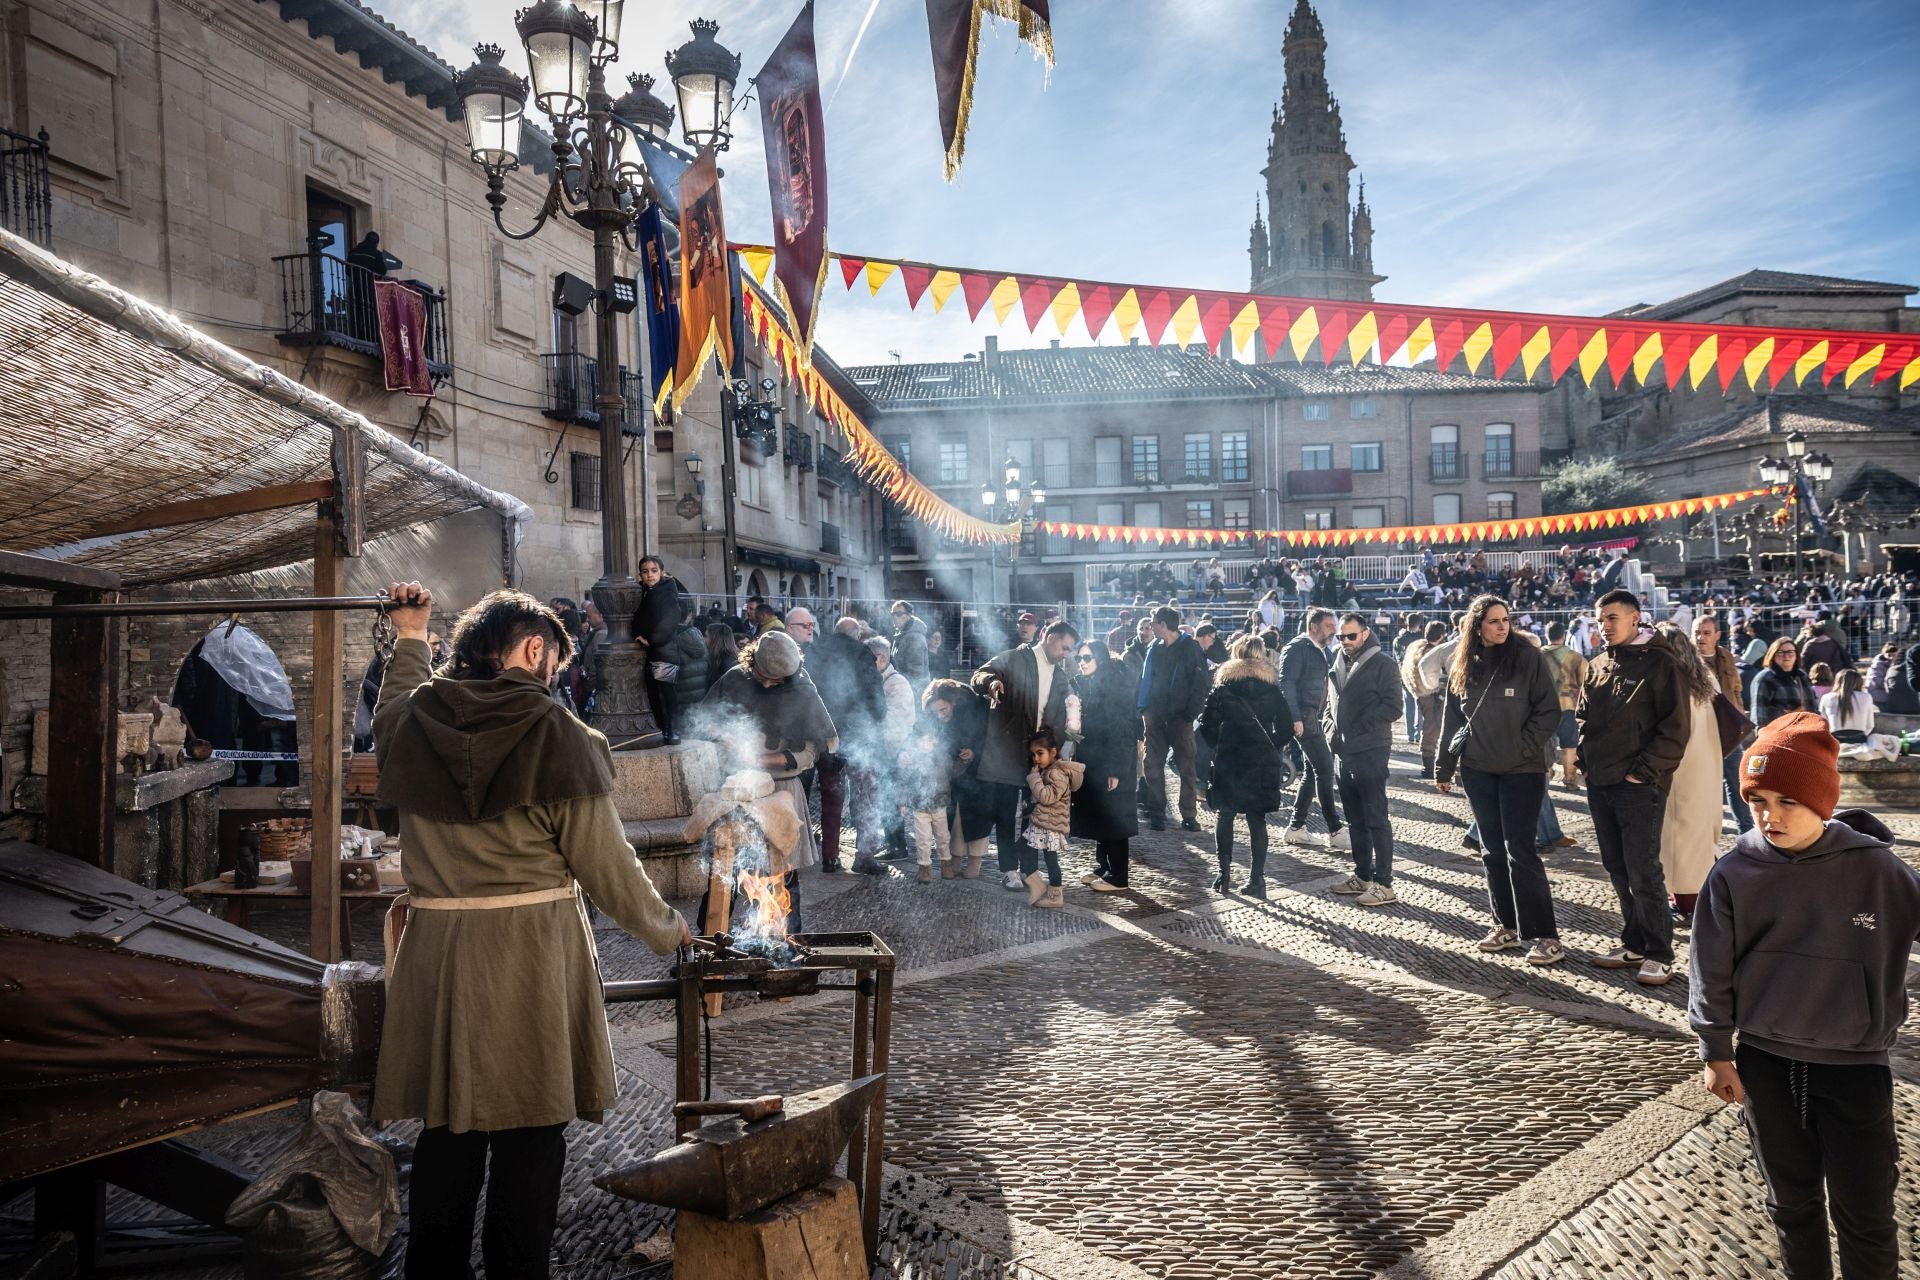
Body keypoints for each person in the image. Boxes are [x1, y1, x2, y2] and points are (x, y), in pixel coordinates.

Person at [371, 584, 689, 1280]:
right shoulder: (560, 736)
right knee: (531, 1130)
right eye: (554, 662)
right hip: (531, 955)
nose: (555, 678)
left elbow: (392, 706)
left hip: (439, 954)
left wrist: (411, 635)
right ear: (535, 650)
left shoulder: (415, 721)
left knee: (448, 1128)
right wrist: (672, 934)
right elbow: (609, 868)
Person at [1690, 713, 1919, 1280]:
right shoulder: (1733, 873)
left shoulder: (1880, 870)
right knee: (1791, 1207)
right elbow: (1708, 968)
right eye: (1757, 799)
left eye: (1787, 800)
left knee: (1866, 1212)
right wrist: (1715, 1050)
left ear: (1821, 800)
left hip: (1855, 1068)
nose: (1770, 815)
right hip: (1765, 1064)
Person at [1434, 595, 1563, 961]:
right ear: (1477, 627)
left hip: (1523, 770)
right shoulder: (1463, 663)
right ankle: (1505, 926)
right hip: (1478, 770)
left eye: (1505, 619)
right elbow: (1453, 719)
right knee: (1491, 851)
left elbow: (1549, 711)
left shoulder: (1528, 658)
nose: (1502, 626)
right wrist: (1444, 767)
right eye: (1493, 621)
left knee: (1520, 851)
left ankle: (1544, 936)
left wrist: (1523, 748)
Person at [1577, 589, 1692, 987]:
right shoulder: (1598, 664)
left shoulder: (1661, 664)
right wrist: (1586, 761)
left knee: (1643, 869)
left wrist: (1642, 773)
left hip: (1640, 785)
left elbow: (1675, 729)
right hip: (1601, 781)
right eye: (1600, 620)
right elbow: (1583, 716)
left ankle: (1660, 952)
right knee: (1616, 866)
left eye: (1611, 618)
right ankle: (1635, 942)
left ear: (1635, 619)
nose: (1604, 626)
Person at [697, 629, 835, 922]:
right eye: (763, 676)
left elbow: (812, 751)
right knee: (726, 872)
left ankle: (786, 950)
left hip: (782, 792)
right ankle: (704, 948)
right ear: (752, 663)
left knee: (783, 876)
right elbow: (705, 723)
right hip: (738, 789)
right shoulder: (735, 678)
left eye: (778, 680)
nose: (770, 684)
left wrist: (764, 758)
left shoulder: (803, 691)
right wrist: (722, 736)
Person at [971, 622, 1078, 891]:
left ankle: (1029, 870)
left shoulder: (1062, 676)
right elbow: (979, 675)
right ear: (1049, 637)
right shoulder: (1015, 658)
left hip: (1039, 757)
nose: (1066, 653)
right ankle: (1008, 869)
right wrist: (991, 682)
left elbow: (1068, 714)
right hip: (1007, 750)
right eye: (1064, 647)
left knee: (1035, 816)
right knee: (1005, 814)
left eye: (1069, 650)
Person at [1197, 637, 1294, 899]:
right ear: (1261, 656)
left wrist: (1220, 745)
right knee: (1256, 819)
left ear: (1236, 654)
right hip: (1261, 760)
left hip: (1230, 757)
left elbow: (1205, 728)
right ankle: (1257, 879)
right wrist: (1270, 744)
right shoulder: (1272, 688)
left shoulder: (1223, 687)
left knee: (1225, 815)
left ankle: (1223, 874)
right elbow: (1286, 729)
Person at [1650, 623, 1727, 929]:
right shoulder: (1704, 677)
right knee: (1697, 835)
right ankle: (1697, 898)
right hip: (1705, 765)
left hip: (1678, 767)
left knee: (1676, 838)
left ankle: (1684, 901)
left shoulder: (1669, 679)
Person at [1325, 613, 1403, 907]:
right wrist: (1331, 733)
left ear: (1365, 634)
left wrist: (1359, 727)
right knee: (1355, 820)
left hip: (1371, 750)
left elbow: (1394, 706)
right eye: (1341, 637)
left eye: (1351, 636)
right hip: (1343, 753)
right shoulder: (1337, 661)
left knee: (1376, 819)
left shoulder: (1384, 664)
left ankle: (1384, 884)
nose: (1345, 642)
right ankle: (1362, 875)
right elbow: (1329, 706)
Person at [1068, 641, 1141, 893]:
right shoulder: (1091, 682)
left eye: (1087, 658)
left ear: (1100, 658)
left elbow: (1122, 731)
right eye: (1079, 658)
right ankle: (1105, 866)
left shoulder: (1114, 686)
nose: (1082, 662)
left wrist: (1116, 771)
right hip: (1096, 759)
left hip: (1111, 762)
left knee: (1114, 816)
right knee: (1101, 814)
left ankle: (1119, 875)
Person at [1279, 609, 1348, 850]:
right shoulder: (1298, 648)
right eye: (1329, 625)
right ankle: (1335, 829)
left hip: (1315, 718)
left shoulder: (1323, 650)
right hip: (1304, 718)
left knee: (1312, 771)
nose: (1334, 630)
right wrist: (1295, 717)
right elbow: (1286, 683)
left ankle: (1296, 827)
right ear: (1314, 626)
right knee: (1325, 769)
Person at [1137, 606, 1210, 832]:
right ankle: (1157, 813)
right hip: (1155, 716)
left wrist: (1190, 713)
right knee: (1152, 765)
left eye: (1153, 622)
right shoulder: (1154, 648)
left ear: (1163, 624)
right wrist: (1144, 710)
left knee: (1187, 766)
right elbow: (1145, 679)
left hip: (1181, 719)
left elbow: (1201, 683)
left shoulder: (1191, 647)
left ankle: (1188, 815)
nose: (1151, 626)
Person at [922, 678, 990, 878]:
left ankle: (975, 862)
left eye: (943, 710)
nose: (940, 715)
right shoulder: (936, 715)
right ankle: (955, 859)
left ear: (954, 703)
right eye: (936, 712)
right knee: (955, 818)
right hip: (954, 773)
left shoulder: (975, 708)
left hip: (979, 774)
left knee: (977, 817)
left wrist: (974, 752)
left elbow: (987, 736)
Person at [1694, 613, 1754, 835]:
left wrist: (1739, 714)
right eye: (1697, 633)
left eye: (1706, 633)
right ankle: (1704, 830)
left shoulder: (1727, 657)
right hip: (1701, 729)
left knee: (1736, 779)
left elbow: (1736, 688)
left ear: (1717, 635)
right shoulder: (1688, 660)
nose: (1700, 638)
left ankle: (1746, 830)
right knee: (1704, 783)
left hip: (1728, 729)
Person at [898, 689, 964, 884]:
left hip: (940, 803)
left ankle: (946, 866)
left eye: (933, 739)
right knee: (923, 839)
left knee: (943, 837)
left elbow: (953, 772)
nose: (930, 742)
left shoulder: (942, 758)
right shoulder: (912, 760)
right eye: (925, 739)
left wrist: (965, 762)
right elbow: (905, 779)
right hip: (920, 806)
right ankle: (924, 868)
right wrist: (902, 801)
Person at [1021, 727, 1083, 909]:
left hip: (1050, 824)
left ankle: (1055, 894)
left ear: (1053, 752)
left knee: (1050, 859)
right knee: (1026, 849)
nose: (1036, 759)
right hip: (1043, 822)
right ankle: (1039, 885)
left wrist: (1034, 779)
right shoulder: (1049, 770)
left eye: (1040, 753)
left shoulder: (1057, 773)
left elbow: (1047, 797)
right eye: (1033, 754)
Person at [633, 556, 688, 744]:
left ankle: (673, 731)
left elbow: (671, 619)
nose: (649, 575)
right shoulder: (644, 591)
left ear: (661, 571)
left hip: (665, 651)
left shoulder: (666, 591)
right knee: (655, 694)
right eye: (645, 571)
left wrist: (651, 639)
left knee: (667, 695)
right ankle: (665, 730)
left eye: (653, 571)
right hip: (652, 652)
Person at [1541, 620, 1587, 788]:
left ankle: (1546, 775)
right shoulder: (1576, 657)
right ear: (1564, 635)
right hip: (1568, 706)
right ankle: (1570, 779)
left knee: (1544, 742)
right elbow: (1586, 683)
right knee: (1569, 744)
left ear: (1546, 636)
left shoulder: (1538, 655)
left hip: (1544, 708)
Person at [1401, 619, 1447, 779]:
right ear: (1441, 636)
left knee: (1431, 728)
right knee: (1431, 728)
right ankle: (1429, 767)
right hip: (1429, 694)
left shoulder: (1418, 648)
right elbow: (1430, 675)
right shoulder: (1430, 652)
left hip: (1423, 693)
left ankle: (1430, 764)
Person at [1751, 637, 1818, 728]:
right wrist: (1762, 735)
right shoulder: (1765, 678)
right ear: (1772, 654)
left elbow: (1813, 708)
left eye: (1790, 652)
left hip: (1804, 732)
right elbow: (1759, 713)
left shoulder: (1802, 676)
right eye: (1780, 652)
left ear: (1796, 655)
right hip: (1778, 733)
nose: (1786, 656)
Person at [1820, 667, 1874, 742]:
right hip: (1859, 739)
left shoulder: (1826, 697)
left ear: (1837, 681)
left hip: (1835, 740)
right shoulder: (1866, 697)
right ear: (1859, 682)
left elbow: (1823, 725)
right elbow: (1870, 725)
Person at [890, 601, 930, 688]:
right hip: (903, 687)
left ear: (908, 616)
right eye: (893, 614)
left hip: (912, 690)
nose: (894, 617)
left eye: (899, 614)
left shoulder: (914, 638)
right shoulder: (902, 634)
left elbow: (916, 672)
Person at [702, 623, 739, 697]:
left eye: (706, 636)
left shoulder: (728, 663)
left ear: (715, 639)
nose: (703, 639)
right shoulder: (718, 659)